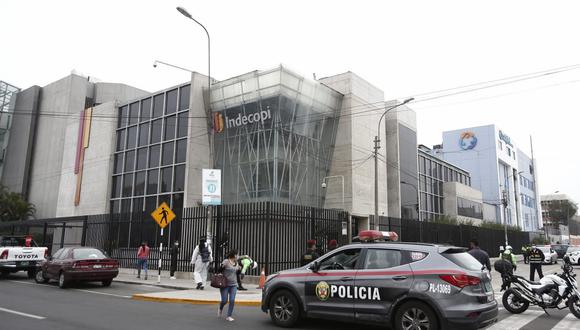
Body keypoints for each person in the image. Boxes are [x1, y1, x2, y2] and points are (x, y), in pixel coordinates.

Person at [219, 250, 240, 322]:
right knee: (224, 301)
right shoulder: (226, 262)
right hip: (225, 284)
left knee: (232, 300)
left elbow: (237, 274)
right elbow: (219, 270)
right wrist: (220, 271)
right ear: (234, 255)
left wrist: (240, 270)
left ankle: (229, 316)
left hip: (234, 285)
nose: (238, 256)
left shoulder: (237, 263)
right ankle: (220, 308)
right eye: (237, 255)